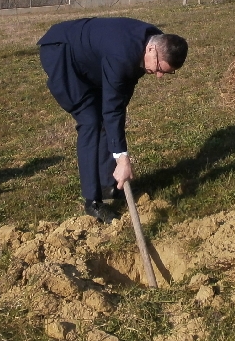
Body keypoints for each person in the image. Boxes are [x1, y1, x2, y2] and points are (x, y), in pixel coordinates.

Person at [38, 17, 188, 223]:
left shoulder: (156, 42)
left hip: (93, 57)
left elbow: (119, 103)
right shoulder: (123, 55)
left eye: (166, 73)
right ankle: (93, 202)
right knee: (91, 120)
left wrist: (118, 145)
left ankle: (109, 185)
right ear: (152, 50)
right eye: (160, 69)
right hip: (61, 52)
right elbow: (112, 108)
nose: (159, 76)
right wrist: (122, 158)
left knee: (107, 118)